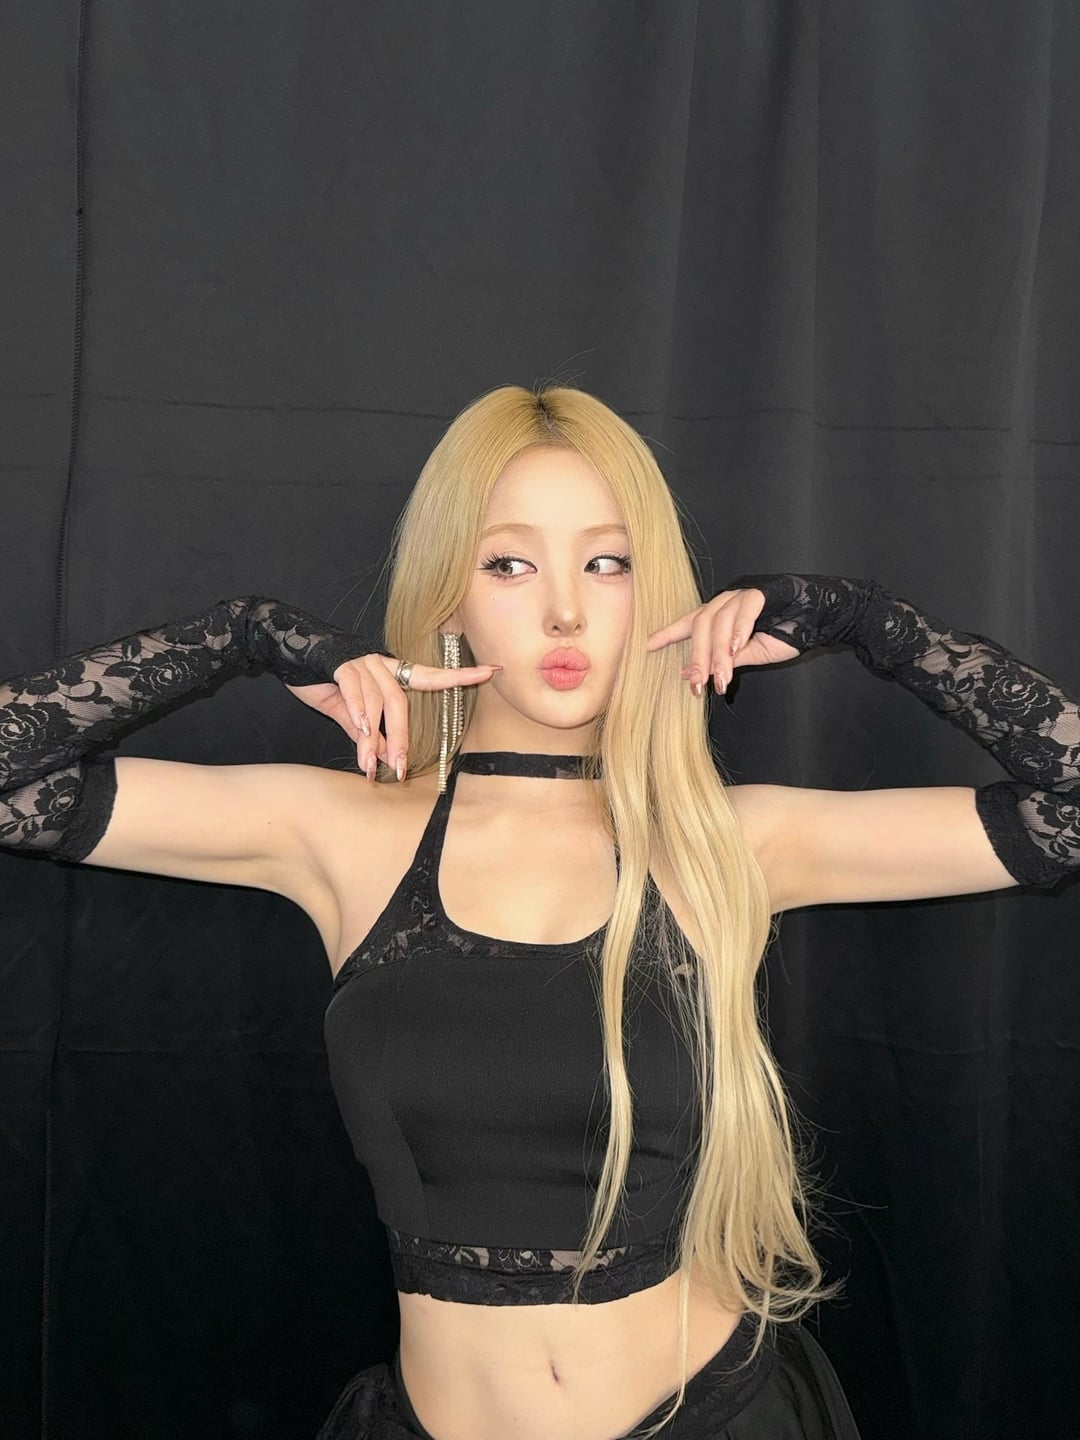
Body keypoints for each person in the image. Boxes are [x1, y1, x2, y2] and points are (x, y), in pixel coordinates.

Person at [1, 385, 1076, 1440]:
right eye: (508, 564)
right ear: (451, 598)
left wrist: (865, 622)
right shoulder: (339, 832)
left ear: (656, 594)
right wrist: (247, 636)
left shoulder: (729, 842)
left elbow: (1065, 813)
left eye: (608, 563)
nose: (566, 610)